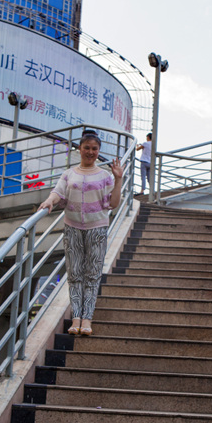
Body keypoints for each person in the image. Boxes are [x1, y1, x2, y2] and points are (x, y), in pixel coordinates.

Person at [39, 131, 123, 336]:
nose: (90, 152)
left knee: (92, 275)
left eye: (95, 149)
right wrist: (49, 201)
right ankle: (76, 318)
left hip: (97, 229)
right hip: (72, 227)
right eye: (87, 148)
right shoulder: (69, 174)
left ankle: (87, 320)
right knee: (75, 274)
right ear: (80, 149)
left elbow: (113, 203)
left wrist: (118, 178)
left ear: (98, 151)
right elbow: (58, 192)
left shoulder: (104, 175)